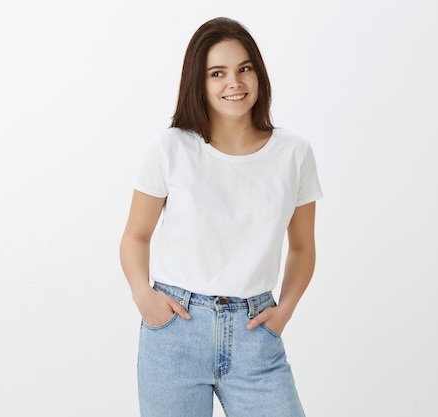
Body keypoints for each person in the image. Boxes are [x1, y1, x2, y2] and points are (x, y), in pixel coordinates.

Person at [119, 17, 323, 417]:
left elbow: (302, 246)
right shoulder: (170, 148)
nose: (235, 82)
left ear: (259, 74)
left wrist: (284, 312)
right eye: (218, 73)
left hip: (254, 332)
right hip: (175, 330)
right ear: (199, 81)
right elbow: (135, 236)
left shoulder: (294, 154)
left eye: (245, 68)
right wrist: (143, 296)